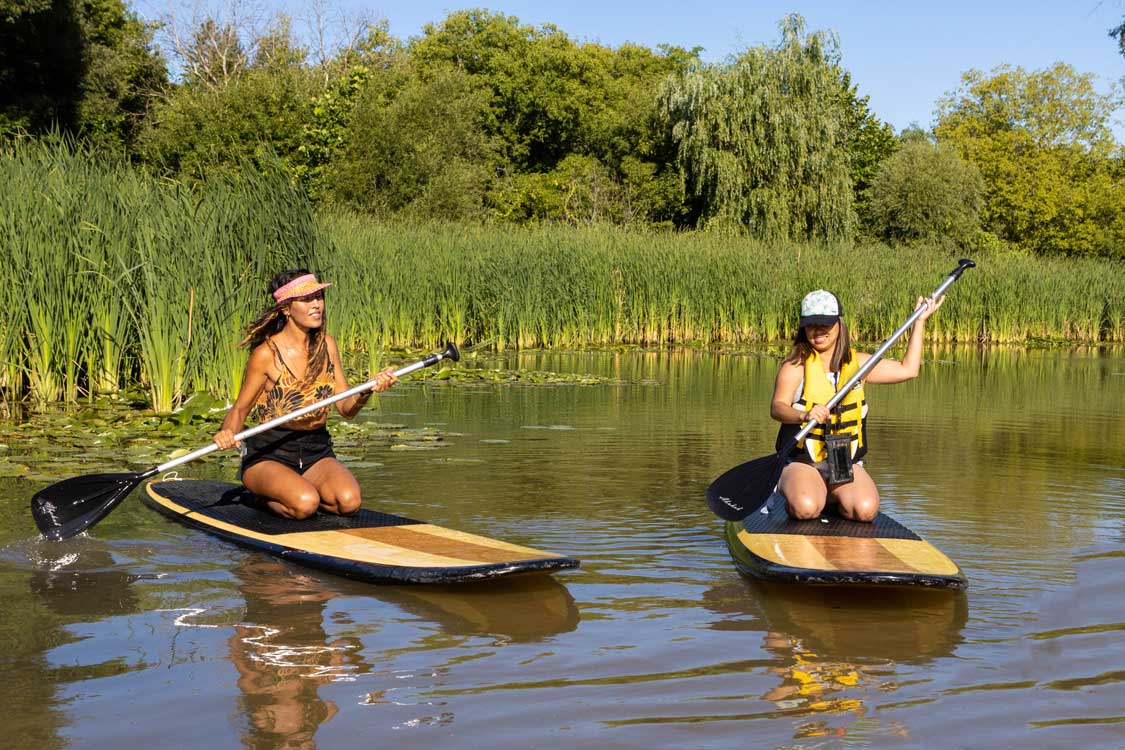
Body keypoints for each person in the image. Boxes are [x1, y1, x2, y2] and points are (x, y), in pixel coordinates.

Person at [214, 269, 397, 519]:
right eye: (307, 299)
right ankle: (260, 496)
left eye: (319, 297)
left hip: (316, 449)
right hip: (269, 452)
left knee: (349, 502)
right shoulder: (266, 354)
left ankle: (297, 491)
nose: (316, 305)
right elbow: (240, 409)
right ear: (287, 309)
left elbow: (346, 409)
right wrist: (228, 433)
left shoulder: (328, 346)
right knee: (304, 504)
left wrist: (366, 391)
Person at [770, 289, 944, 523]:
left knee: (865, 510)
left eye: (825, 324)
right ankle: (797, 491)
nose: (818, 331)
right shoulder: (795, 366)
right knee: (805, 507)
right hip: (804, 462)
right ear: (803, 328)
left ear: (839, 325)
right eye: (811, 325)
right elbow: (777, 408)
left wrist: (919, 323)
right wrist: (804, 414)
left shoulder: (859, 364)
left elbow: (908, 370)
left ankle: (830, 496)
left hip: (843, 461)